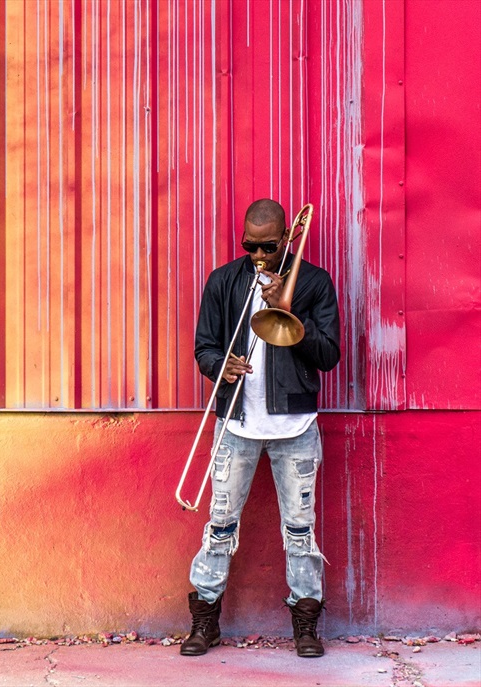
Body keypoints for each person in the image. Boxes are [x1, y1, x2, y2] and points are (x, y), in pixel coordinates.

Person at [180, 199, 341, 658]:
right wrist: (219, 366)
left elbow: (329, 355)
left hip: (295, 426)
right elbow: (204, 346)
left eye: (268, 247)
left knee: (300, 529)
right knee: (220, 524)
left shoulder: (313, 282)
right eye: (250, 245)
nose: (258, 256)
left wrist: (293, 315)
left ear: (287, 237)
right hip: (237, 423)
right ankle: (204, 621)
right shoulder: (224, 281)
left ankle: (306, 624)